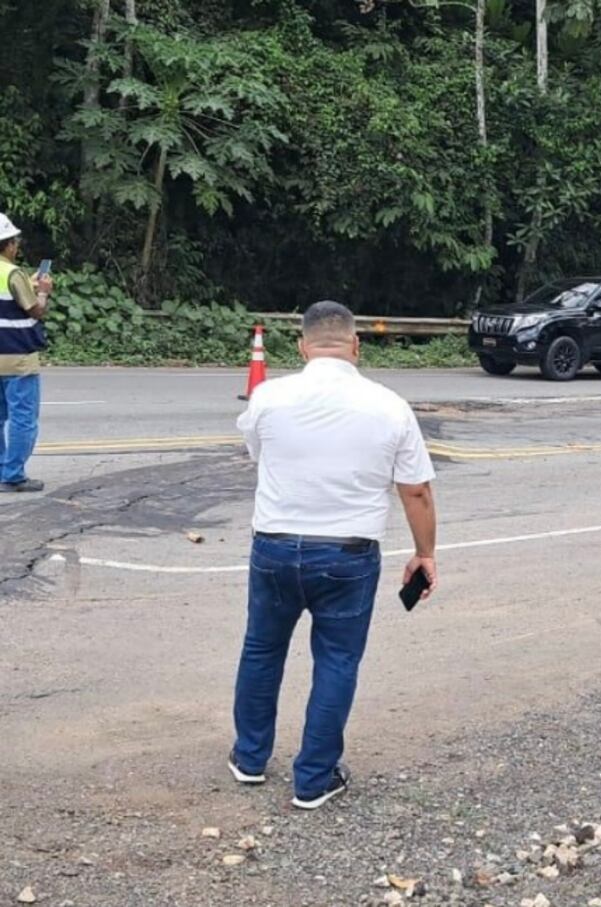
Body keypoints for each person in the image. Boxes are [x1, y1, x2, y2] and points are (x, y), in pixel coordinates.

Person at [230, 300, 438, 810]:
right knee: (337, 660)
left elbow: (259, 455)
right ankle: (314, 777)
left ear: (301, 346)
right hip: (348, 554)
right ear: (356, 346)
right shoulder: (390, 405)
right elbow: (416, 492)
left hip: (275, 547)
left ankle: (250, 758)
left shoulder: (269, 397)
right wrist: (424, 553)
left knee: (262, 649)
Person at [0, 213, 53, 493]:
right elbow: (35, 310)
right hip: (17, 358)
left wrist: (28, 287)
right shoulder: (13, 273)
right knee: (22, 418)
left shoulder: (14, 277)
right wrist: (43, 291)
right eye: (15, 242)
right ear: (9, 246)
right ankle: (13, 475)